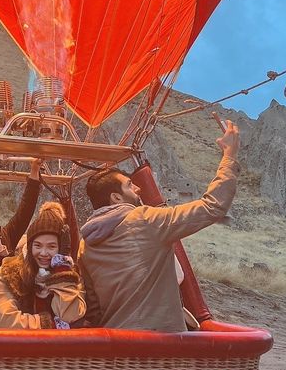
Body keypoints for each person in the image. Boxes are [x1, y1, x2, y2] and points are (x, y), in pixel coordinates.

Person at [78, 120, 240, 333]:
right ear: (116, 197)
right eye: (129, 185)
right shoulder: (144, 220)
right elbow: (212, 207)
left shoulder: (85, 244)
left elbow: (94, 307)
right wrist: (230, 156)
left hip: (116, 344)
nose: (137, 188)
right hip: (158, 344)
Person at [0, 210, 86, 329]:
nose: (43, 253)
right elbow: (3, 321)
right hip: (20, 347)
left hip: (60, 347)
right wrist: (50, 325)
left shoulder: (71, 275)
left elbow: (70, 315)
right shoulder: (6, 273)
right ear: (29, 246)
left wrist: (62, 270)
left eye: (51, 246)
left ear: (60, 248)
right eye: (38, 245)